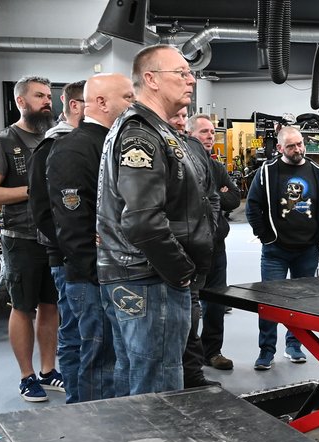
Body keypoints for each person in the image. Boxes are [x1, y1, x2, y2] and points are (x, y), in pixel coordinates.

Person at [96, 45, 212, 395]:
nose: (190, 80)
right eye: (180, 73)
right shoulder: (142, 133)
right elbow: (143, 221)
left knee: (136, 383)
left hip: (140, 277)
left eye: (190, 73)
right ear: (151, 79)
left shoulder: (156, 130)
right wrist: (181, 273)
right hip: (150, 280)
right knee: (158, 395)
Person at [46, 73, 135, 402]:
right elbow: (72, 226)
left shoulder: (117, 143)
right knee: (100, 362)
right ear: (100, 102)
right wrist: (101, 275)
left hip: (120, 273)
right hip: (93, 279)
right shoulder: (74, 149)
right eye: (126, 97)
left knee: (120, 360)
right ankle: (99, 437)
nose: (133, 103)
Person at [0, 75, 64, 403]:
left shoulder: (55, 139)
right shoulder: (2, 142)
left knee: (50, 305)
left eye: (49, 96)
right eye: (40, 96)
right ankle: (27, 376)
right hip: (20, 237)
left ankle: (48, 369)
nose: (48, 101)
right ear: (21, 102)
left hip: (53, 239)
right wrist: (33, 191)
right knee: (23, 307)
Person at [245, 125, 319, 370]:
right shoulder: (267, 172)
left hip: (307, 250)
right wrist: (266, 236)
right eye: (292, 146)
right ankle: (266, 350)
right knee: (270, 302)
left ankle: (294, 345)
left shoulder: (318, 172)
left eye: (300, 144)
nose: (298, 149)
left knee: (301, 304)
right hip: (276, 250)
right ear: (280, 148)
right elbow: (253, 206)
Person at [28, 79, 85, 402]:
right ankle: (78, 400)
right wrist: (72, 246)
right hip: (66, 259)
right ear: (75, 105)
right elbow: (42, 210)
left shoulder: (92, 144)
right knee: (75, 332)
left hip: (92, 259)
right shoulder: (51, 148)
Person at [170, 106, 220, 389]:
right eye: (175, 114)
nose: (178, 119)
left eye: (182, 114)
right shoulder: (150, 144)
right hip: (165, 255)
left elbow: (212, 195)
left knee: (191, 316)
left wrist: (206, 231)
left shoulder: (194, 151)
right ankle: (174, 380)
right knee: (172, 322)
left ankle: (192, 375)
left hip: (195, 254)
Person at [188, 113, 241, 372]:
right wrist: (216, 195)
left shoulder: (217, 167)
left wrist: (220, 195)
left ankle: (213, 351)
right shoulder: (184, 164)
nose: (210, 137)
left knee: (217, 299)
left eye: (211, 132)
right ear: (190, 135)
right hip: (192, 246)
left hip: (217, 245)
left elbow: (233, 198)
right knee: (191, 302)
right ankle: (191, 356)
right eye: (204, 132)